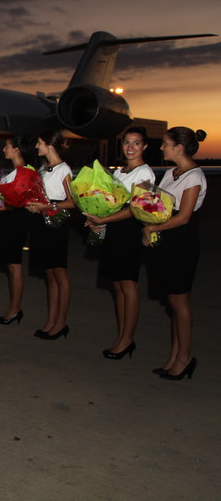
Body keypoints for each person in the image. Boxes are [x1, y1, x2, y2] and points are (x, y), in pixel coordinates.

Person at [83, 127, 155, 359]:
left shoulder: (145, 173)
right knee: (117, 285)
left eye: (136, 143)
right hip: (114, 230)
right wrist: (96, 219)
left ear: (145, 146)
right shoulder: (120, 172)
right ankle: (122, 335)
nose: (130, 147)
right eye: (126, 143)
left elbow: (135, 208)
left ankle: (127, 339)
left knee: (128, 285)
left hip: (129, 231)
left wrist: (103, 219)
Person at [143, 127, 207, 380]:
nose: (161, 148)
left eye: (165, 144)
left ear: (179, 147)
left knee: (180, 301)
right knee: (172, 301)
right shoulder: (171, 172)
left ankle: (185, 358)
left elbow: (184, 217)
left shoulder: (194, 176)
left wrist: (152, 227)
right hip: (166, 238)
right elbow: (158, 204)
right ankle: (174, 356)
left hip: (181, 241)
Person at [25, 129, 75, 340]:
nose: (37, 146)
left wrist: (46, 206)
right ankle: (51, 319)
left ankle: (61, 322)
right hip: (42, 223)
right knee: (50, 274)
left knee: (59, 273)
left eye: (39, 142)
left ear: (49, 145)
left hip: (56, 224)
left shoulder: (64, 169)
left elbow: (72, 202)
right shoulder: (43, 169)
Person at [0, 136, 34, 325]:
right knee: (11, 267)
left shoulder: (24, 172)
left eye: (7, 146)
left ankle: (15, 309)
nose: (4, 149)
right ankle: (13, 306)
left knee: (15, 266)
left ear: (17, 149)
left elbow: (18, 203)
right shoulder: (14, 171)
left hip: (16, 221)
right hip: (8, 220)